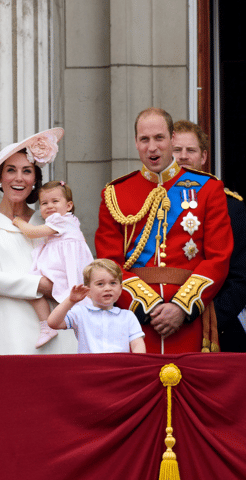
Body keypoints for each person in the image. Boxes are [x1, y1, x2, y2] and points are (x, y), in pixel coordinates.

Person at [95, 108, 232, 353]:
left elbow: (218, 258)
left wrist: (181, 307)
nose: (152, 147)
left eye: (159, 138)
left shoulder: (208, 189)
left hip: (190, 319)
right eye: (144, 139)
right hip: (135, 321)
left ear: (172, 139)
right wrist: (148, 307)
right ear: (136, 143)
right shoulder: (115, 193)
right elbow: (109, 264)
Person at [0, 128, 77, 355]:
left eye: (27, 171)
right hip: (12, 325)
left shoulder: (49, 220)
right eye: (11, 170)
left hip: (59, 322)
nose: (19, 178)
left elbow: (74, 258)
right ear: (0, 178)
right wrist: (41, 286)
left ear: (35, 179)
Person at [172, 119, 246, 352]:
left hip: (216, 328)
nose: (183, 156)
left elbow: (239, 279)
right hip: (159, 325)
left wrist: (203, 320)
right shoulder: (148, 205)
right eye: (176, 150)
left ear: (203, 157)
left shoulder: (231, 207)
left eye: (190, 150)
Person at [13, 180, 94, 348]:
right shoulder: (70, 221)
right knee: (33, 286)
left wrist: (18, 222)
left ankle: (46, 325)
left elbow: (32, 232)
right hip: (64, 265)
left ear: (69, 205)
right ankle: (47, 326)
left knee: (32, 285)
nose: (49, 206)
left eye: (55, 201)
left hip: (64, 269)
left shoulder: (60, 220)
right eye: (44, 203)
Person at [47, 259, 146, 353]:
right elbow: (53, 323)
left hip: (119, 368)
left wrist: (139, 365)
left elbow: (137, 344)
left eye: (113, 283)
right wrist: (70, 300)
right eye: (100, 284)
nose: (108, 288)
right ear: (88, 291)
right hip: (89, 368)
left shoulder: (128, 316)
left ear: (120, 289)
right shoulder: (80, 313)